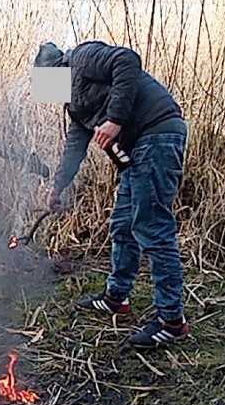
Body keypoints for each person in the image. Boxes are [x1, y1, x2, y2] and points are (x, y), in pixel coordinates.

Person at [33, 40, 190, 349]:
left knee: (153, 228)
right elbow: (75, 145)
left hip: (158, 134)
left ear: (56, 72)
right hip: (138, 149)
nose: (48, 92)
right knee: (122, 224)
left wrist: (115, 120)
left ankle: (172, 321)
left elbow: (128, 60)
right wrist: (58, 186)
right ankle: (116, 297)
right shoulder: (75, 106)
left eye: (47, 83)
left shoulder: (82, 57)